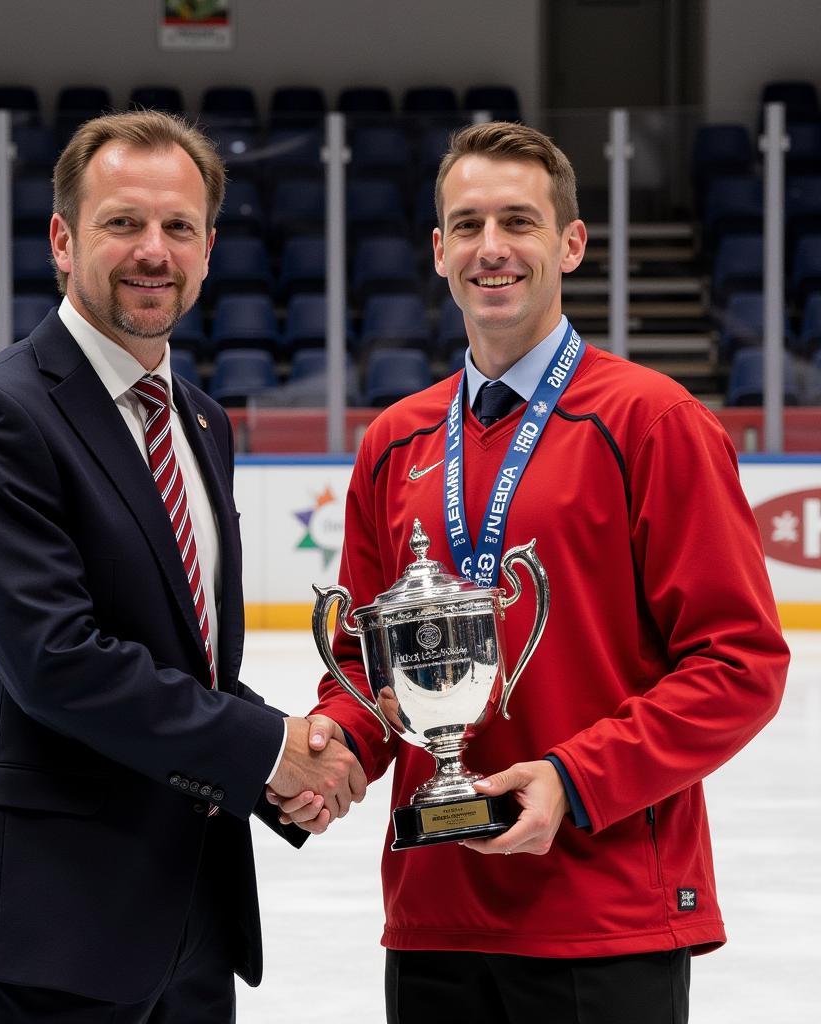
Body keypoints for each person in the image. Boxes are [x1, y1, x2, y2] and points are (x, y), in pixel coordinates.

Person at [274, 121, 790, 1023]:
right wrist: (337, 748)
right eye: (467, 225)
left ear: (572, 243)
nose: (492, 248)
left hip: (605, 911)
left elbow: (741, 665)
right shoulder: (396, 441)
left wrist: (574, 778)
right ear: (439, 252)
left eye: (519, 220)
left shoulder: (652, 423)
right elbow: (363, 663)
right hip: (436, 911)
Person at [0, 110, 363, 1023]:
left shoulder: (200, 420)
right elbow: (57, 662)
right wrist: (272, 752)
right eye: (123, 222)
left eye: (179, 227)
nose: (153, 251)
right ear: (63, 239)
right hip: (48, 922)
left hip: (188, 907)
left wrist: (286, 774)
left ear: (206, 249)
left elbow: (187, 661)